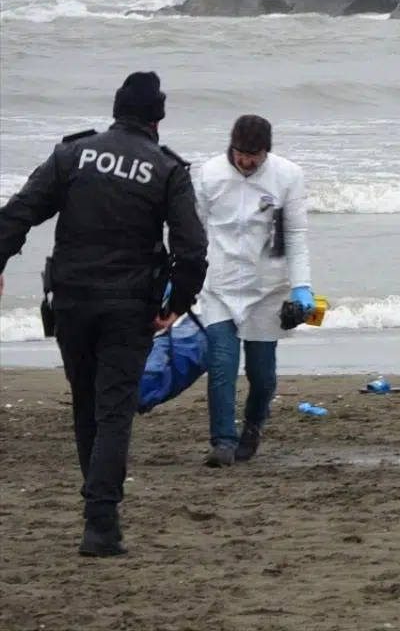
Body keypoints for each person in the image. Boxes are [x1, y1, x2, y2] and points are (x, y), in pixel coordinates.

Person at [0, 71, 208, 556]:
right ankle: (101, 521)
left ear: (116, 111)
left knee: (86, 402)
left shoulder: (73, 154)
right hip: (129, 307)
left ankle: (97, 505)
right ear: (157, 119)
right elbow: (191, 248)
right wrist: (178, 304)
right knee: (114, 409)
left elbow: (20, 211)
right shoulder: (168, 169)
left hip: (71, 302)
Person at [194, 114, 314, 467]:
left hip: (267, 289)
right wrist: (179, 275)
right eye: (240, 153)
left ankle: (253, 427)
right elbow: (193, 230)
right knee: (221, 364)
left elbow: (295, 236)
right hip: (220, 285)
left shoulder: (288, 176)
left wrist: (302, 287)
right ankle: (223, 442)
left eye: (254, 155)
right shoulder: (210, 174)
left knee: (262, 376)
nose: (246, 162)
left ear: (266, 152)